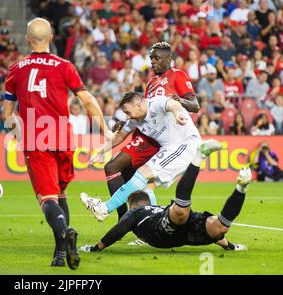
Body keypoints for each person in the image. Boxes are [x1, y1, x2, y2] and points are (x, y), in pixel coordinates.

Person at [2, 18, 112, 270]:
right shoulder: (65, 66)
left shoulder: (16, 69)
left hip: (37, 140)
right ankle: (60, 253)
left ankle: (66, 234)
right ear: (51, 37)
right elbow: (87, 100)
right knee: (61, 195)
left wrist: (14, 128)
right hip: (63, 138)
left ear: (28, 39)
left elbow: (7, 115)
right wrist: (104, 130)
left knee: (47, 199)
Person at [98, 42, 200, 221]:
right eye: (151, 58)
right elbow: (143, 110)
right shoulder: (152, 83)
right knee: (138, 179)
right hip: (153, 134)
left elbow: (195, 105)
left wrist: (178, 103)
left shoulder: (178, 75)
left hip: (169, 137)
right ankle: (141, 220)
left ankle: (121, 216)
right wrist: (127, 121)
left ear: (169, 58)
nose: (152, 62)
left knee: (124, 171)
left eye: (156, 58)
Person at [81, 91, 220, 222]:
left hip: (185, 144)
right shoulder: (135, 119)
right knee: (146, 187)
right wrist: (100, 152)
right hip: (169, 149)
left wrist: (177, 113)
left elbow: (173, 104)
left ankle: (104, 209)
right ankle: (151, 225)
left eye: (128, 112)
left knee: (143, 172)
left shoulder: (156, 103)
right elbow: (120, 136)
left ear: (139, 105)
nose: (127, 117)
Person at [80, 150, 251, 253]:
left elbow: (118, 230)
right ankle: (240, 190)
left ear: (131, 205)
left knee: (185, 214)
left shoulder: (135, 213)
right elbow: (218, 238)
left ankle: (199, 160)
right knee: (218, 227)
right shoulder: (154, 207)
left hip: (162, 232)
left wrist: (96, 247)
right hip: (176, 227)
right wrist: (229, 245)